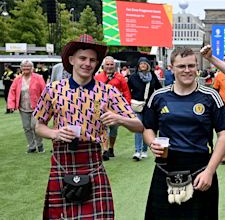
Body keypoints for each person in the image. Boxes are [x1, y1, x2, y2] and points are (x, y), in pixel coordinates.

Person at [33, 34, 143, 219]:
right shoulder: (53, 89)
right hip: (62, 160)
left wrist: (120, 119)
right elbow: (39, 126)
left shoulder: (108, 91)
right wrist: (55, 133)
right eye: (82, 58)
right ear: (71, 60)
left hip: (93, 161)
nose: (87, 63)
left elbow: (139, 126)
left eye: (92, 60)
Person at [142, 47, 225, 219]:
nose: (187, 70)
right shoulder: (158, 96)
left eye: (191, 66)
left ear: (197, 67)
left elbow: (224, 134)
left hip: (200, 169)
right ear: (171, 68)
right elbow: (148, 128)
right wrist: (152, 142)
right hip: (165, 167)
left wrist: (210, 171)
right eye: (182, 66)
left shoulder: (211, 96)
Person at [95, 56, 132, 160]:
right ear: (103, 65)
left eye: (111, 64)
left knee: (114, 129)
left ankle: (111, 147)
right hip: (101, 106)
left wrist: (126, 106)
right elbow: (93, 92)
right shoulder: (97, 77)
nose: (109, 66)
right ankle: (105, 150)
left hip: (115, 107)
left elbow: (126, 91)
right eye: (107, 64)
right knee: (102, 127)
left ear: (114, 65)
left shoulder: (120, 77)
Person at [8, 60, 46, 153]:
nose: (26, 68)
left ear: (32, 68)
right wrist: (11, 105)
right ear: (21, 68)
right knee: (26, 127)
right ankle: (32, 146)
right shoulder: (17, 79)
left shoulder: (38, 77)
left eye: (28, 66)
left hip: (36, 107)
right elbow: (12, 92)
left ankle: (39, 145)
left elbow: (44, 91)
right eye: (24, 67)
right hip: (23, 107)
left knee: (35, 126)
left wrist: (45, 105)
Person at [128, 57, 162, 160]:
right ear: (138, 65)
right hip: (137, 105)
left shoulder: (153, 77)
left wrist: (156, 101)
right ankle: (137, 151)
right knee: (138, 127)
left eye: (145, 63)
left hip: (149, 106)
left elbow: (159, 89)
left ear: (148, 65)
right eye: (141, 64)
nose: (143, 65)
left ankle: (144, 150)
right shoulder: (133, 77)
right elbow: (127, 90)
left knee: (147, 127)